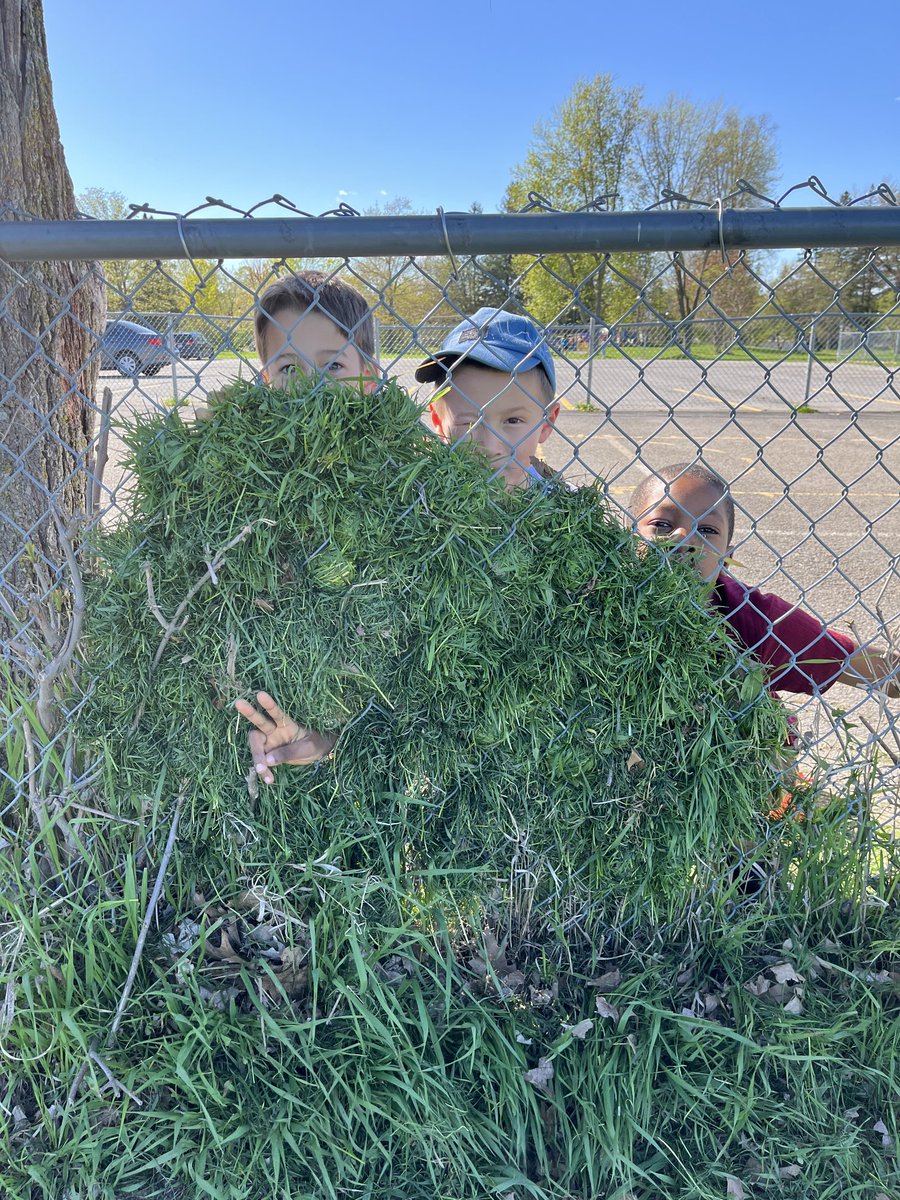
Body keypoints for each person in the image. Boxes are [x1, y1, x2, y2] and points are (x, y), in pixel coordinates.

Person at [233, 270, 380, 784]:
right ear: (265, 383)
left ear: (369, 380)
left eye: (333, 365)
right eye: (291, 368)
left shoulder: (395, 483)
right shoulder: (243, 483)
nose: (314, 389)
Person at [628, 461, 899, 698]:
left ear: (726, 557)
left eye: (707, 529)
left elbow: (869, 667)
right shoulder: (591, 602)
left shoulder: (757, 622)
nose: (683, 539)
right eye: (662, 525)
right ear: (626, 539)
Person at [415, 307, 560, 489]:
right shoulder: (422, 501)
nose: (490, 448)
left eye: (513, 420)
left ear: (546, 423)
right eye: (469, 423)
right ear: (438, 422)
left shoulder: (568, 505)